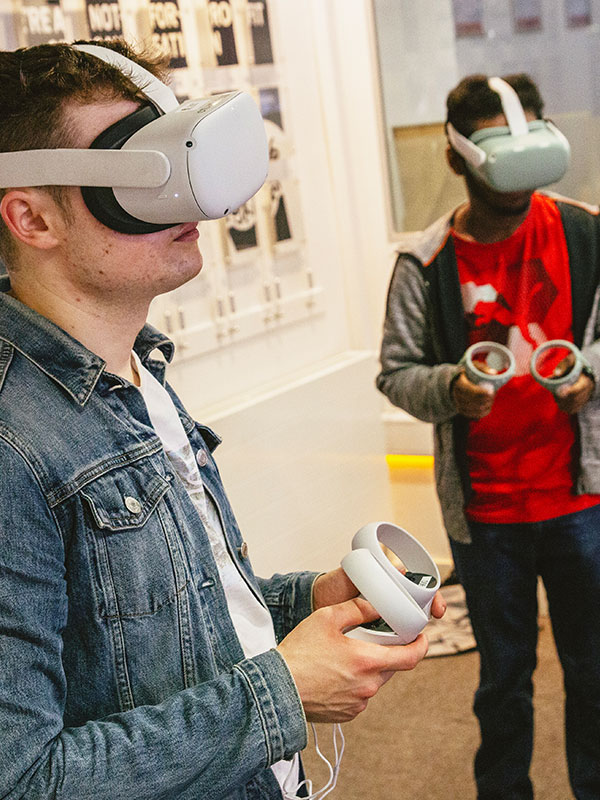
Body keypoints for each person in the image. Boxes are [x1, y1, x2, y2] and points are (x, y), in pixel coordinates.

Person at [0, 40, 445, 799]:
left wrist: (311, 599)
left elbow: (170, 620)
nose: (196, 201)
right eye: (145, 176)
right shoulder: (16, 445)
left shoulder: (138, 370)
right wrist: (282, 694)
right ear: (31, 218)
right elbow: (26, 778)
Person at [377, 72, 600, 800]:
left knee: (595, 672)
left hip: (581, 503)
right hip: (487, 516)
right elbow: (396, 371)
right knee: (503, 680)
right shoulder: (426, 261)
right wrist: (452, 389)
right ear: (458, 157)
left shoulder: (585, 231)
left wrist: (590, 373)